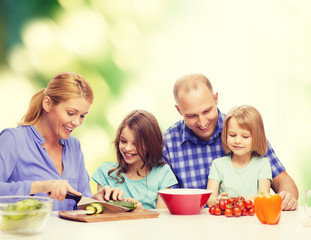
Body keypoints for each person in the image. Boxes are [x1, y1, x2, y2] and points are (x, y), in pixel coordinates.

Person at [163, 73, 298, 210]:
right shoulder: (167, 143)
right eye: (192, 115)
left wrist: (287, 196)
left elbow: (283, 181)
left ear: (216, 99)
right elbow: (163, 201)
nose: (202, 122)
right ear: (179, 110)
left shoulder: (243, 129)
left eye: (207, 111)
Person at [0, 72, 121, 211]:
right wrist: (41, 186)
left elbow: (80, 199)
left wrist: (98, 200)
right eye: (70, 113)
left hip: (69, 233)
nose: (77, 122)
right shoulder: (13, 139)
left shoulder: (74, 146)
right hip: (24, 231)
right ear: (47, 103)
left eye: (82, 116)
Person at [92, 110, 178, 209]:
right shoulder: (105, 172)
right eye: (123, 141)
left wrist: (140, 212)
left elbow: (162, 219)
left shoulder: (162, 174)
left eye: (136, 143)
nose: (128, 148)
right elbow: (99, 215)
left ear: (151, 144)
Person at [206, 105, 271, 206]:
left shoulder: (263, 164)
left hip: (251, 219)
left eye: (245, 136)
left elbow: (265, 198)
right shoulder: (218, 164)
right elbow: (209, 199)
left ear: (257, 137)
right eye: (232, 135)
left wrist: (253, 200)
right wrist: (217, 201)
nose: (237, 141)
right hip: (224, 219)